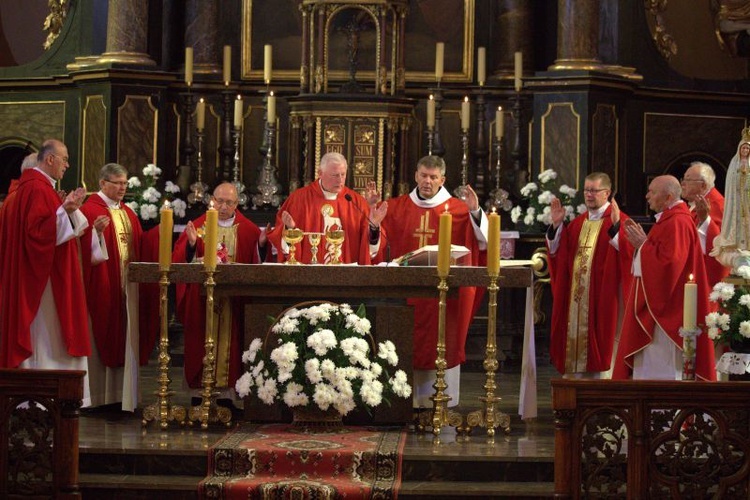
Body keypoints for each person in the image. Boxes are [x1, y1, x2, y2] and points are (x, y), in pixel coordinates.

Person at [0, 139, 106, 407]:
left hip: (40, 277)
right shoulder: (36, 188)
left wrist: (66, 211)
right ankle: (41, 397)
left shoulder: (31, 188)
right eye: (65, 159)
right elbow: (38, 235)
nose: (67, 165)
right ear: (49, 160)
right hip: (43, 284)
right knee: (47, 339)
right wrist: (66, 212)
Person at [377, 155, 487, 407]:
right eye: (423, 176)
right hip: (405, 293)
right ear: (416, 175)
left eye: (433, 177)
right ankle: (401, 402)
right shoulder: (395, 207)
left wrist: (474, 211)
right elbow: (375, 243)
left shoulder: (459, 210)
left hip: (443, 294)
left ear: (442, 179)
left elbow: (483, 243)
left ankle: (441, 401)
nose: (427, 181)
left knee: (442, 340)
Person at [613, 175, 716, 381]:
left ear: (668, 197)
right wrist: (644, 246)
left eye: (652, 191)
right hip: (661, 313)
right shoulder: (670, 220)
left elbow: (670, 266)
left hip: (667, 317)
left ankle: (663, 412)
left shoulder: (677, 222)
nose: (647, 195)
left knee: (665, 373)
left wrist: (643, 246)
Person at [173, 182, 262, 407]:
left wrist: (260, 245)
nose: (223, 206)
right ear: (211, 200)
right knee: (200, 340)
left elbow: (256, 262)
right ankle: (198, 392)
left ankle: (227, 398)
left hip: (232, 302)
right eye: (219, 201)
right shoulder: (199, 226)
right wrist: (192, 245)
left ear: (237, 203)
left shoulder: (249, 230)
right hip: (201, 300)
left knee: (231, 345)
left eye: (229, 202)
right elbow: (180, 258)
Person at [546, 172, 634, 379]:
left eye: (594, 191)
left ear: (607, 193)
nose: (589, 195)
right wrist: (557, 226)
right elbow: (558, 254)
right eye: (586, 190)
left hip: (605, 297)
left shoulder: (620, 221)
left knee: (606, 340)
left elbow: (631, 255)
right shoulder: (577, 224)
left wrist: (616, 228)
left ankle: (607, 398)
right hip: (577, 301)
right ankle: (576, 396)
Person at [79, 163, 147, 412]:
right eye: (117, 183)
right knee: (100, 334)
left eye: (125, 183)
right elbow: (77, 250)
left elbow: (141, 246)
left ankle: (122, 396)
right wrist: (94, 235)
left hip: (126, 292)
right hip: (100, 288)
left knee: (124, 335)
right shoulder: (89, 210)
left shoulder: (129, 214)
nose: (122, 188)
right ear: (102, 183)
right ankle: (97, 397)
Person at [266, 152, 387, 264]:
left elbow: (369, 250)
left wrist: (374, 226)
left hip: (347, 278)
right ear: (320, 173)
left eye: (343, 174)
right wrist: (289, 228)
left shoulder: (356, 202)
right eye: (334, 175)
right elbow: (281, 242)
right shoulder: (298, 199)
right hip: (307, 276)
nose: (340, 180)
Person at [681, 161, 730, 287]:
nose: (683, 184)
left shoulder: (716, 205)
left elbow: (718, 243)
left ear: (702, 186)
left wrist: (704, 220)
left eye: (687, 180)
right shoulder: (698, 203)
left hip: (710, 278)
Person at [710, 132, 750, 273]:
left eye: (747, 149)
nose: (745, 151)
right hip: (738, 200)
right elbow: (732, 184)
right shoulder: (735, 164)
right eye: (743, 148)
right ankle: (739, 244)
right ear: (740, 149)